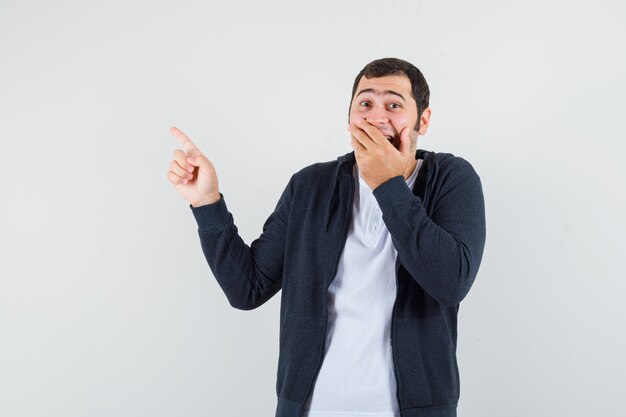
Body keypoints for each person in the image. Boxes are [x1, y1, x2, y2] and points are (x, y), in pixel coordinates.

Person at [166, 57, 486, 417]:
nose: (377, 117)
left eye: (394, 105)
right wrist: (207, 202)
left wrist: (387, 183)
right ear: (349, 118)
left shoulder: (452, 179)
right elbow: (247, 289)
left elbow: (450, 282)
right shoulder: (309, 186)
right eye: (365, 104)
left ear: (422, 121)